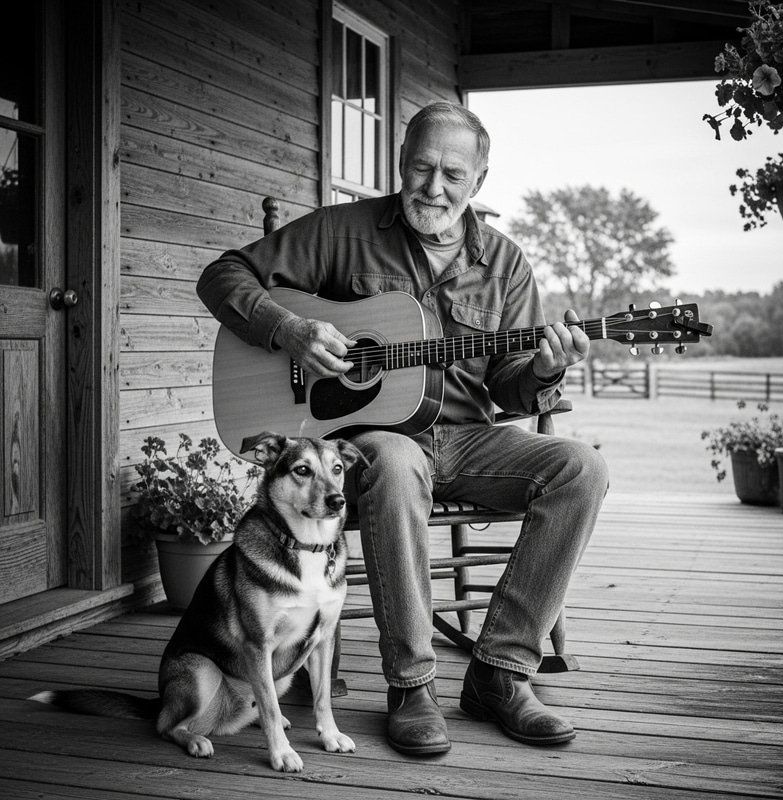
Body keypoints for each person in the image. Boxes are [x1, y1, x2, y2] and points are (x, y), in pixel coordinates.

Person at [197, 101, 608, 756]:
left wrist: (544, 370)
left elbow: (510, 384)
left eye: (452, 174)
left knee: (582, 468)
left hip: (470, 436)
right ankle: (412, 685)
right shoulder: (344, 233)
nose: (433, 187)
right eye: (421, 168)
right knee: (393, 458)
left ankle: (500, 673)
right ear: (401, 163)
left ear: (479, 179)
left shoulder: (503, 263)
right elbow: (222, 274)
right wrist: (290, 330)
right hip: (368, 447)